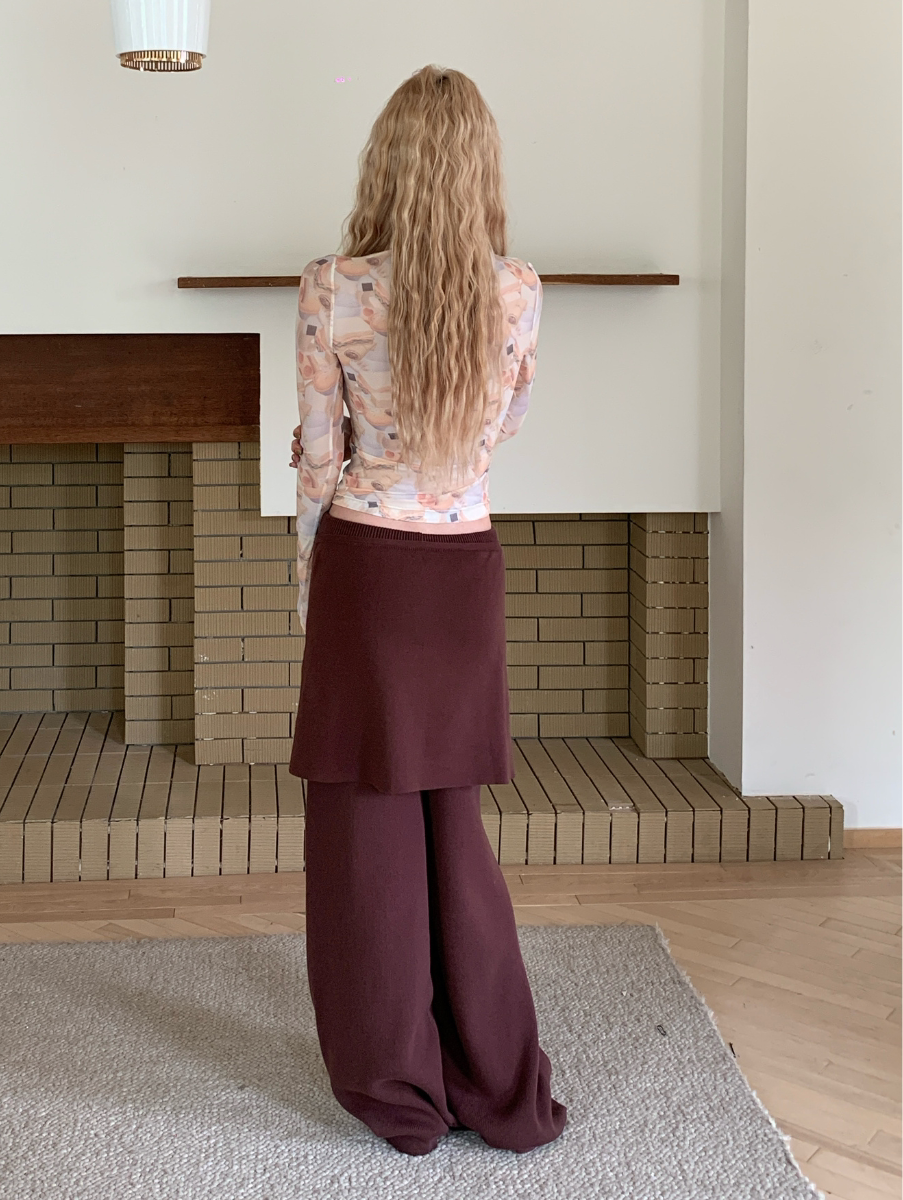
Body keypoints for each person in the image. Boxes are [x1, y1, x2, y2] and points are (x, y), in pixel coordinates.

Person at [286, 65, 567, 1158]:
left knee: (366, 838)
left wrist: (308, 586)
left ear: (387, 162)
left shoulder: (333, 287)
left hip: (368, 566)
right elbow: (509, 425)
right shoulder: (518, 289)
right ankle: (493, 1077)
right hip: (462, 572)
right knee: (455, 830)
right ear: (480, 165)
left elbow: (320, 458)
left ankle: (397, 1090)